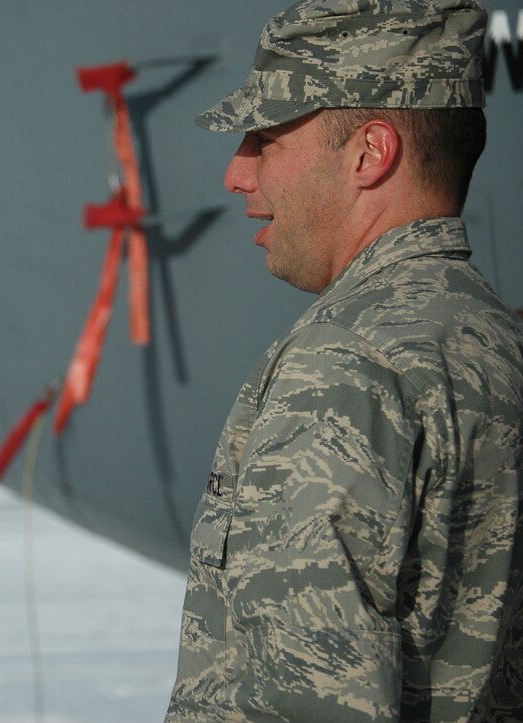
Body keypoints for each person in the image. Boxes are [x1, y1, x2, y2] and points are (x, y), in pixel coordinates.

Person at [166, 1, 523, 720]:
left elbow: (308, 699)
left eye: (265, 138)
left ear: (370, 153)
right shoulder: (494, 342)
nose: (238, 174)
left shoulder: (344, 368)